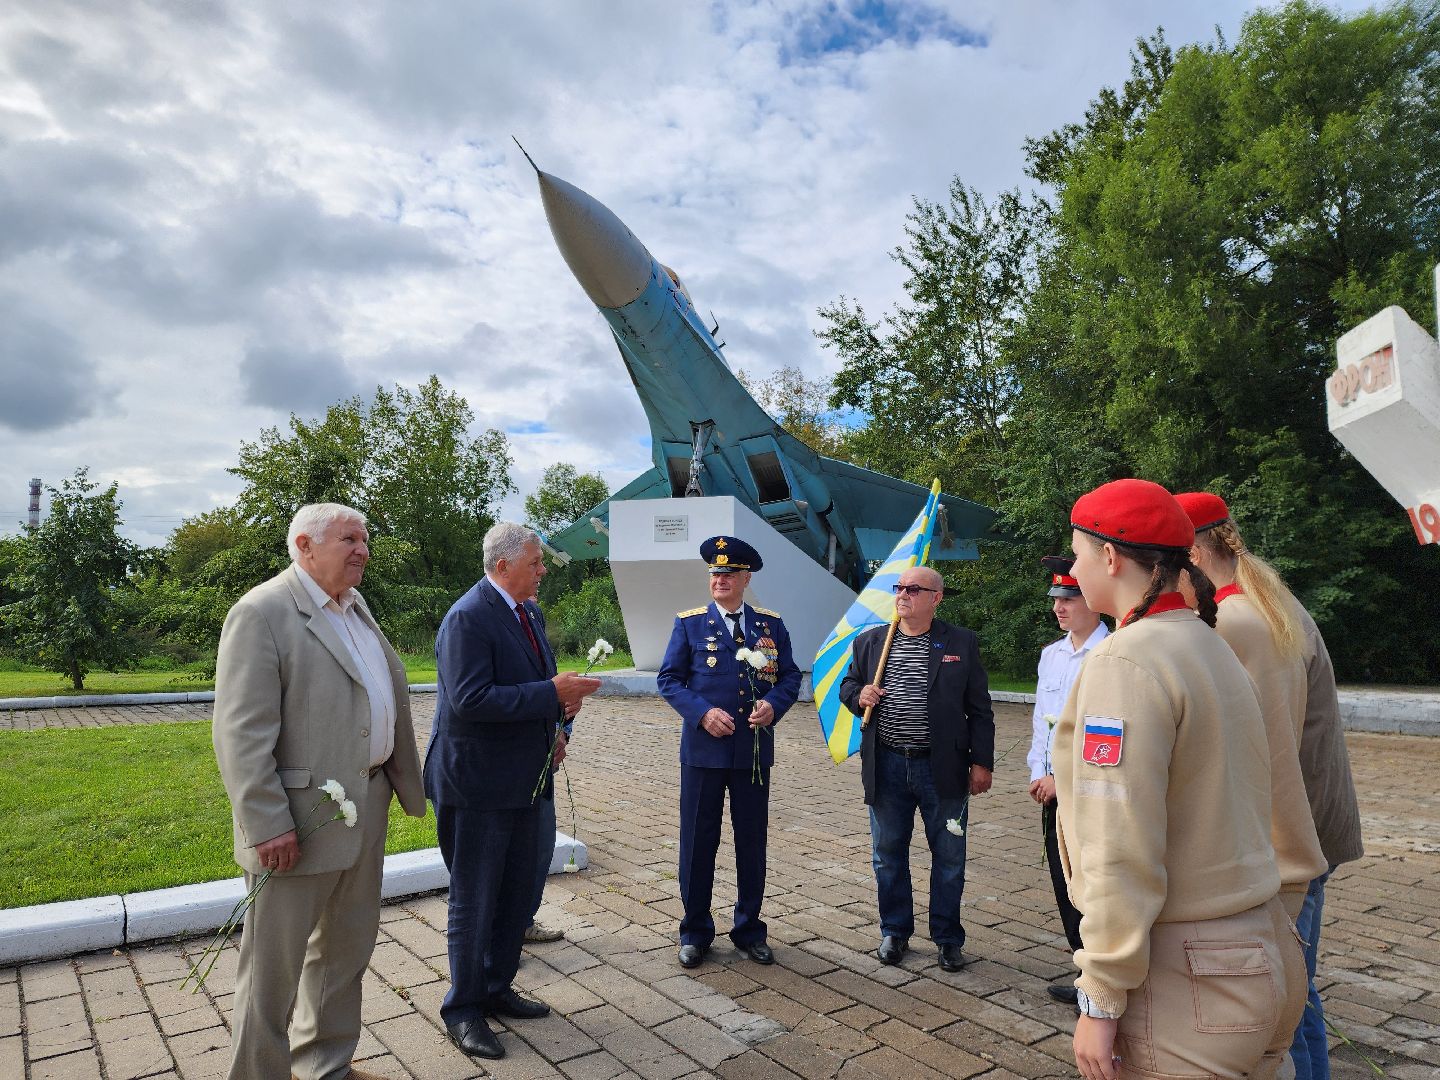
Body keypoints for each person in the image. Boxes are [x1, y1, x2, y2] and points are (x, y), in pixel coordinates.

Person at [1055, 478, 1305, 1080]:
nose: (1076, 571)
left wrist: (1101, 994)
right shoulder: (1207, 641)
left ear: (1110, 557)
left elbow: (1120, 841)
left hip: (1188, 972)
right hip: (1261, 943)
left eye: (1078, 554)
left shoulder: (1126, 661)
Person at [212, 503, 426, 1080]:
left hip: (366, 806)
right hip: (297, 822)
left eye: (365, 539)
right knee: (270, 972)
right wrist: (266, 823)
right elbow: (241, 733)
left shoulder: (355, 607)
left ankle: (324, 1066)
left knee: (344, 953)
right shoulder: (262, 613)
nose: (362, 550)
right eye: (348, 539)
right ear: (305, 546)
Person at [1177, 492, 1362, 1080]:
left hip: (1291, 836)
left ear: (1191, 555)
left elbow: (1268, 752)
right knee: (1295, 988)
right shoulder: (1265, 599)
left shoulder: (1238, 619)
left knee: (1286, 996)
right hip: (1310, 825)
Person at [423, 522, 601, 1061]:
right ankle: (464, 1009)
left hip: (528, 777)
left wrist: (558, 723)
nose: (543, 571)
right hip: (478, 783)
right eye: (535, 562)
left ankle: (497, 987)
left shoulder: (530, 613)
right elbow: (470, 700)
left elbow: (536, 687)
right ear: (503, 565)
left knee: (520, 891)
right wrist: (551, 692)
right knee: (475, 900)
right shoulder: (468, 617)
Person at [839, 564, 995, 973]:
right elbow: (848, 687)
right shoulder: (872, 642)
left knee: (948, 857)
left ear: (935, 598)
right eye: (899, 587)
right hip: (888, 761)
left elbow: (979, 709)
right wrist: (861, 694)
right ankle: (895, 930)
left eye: (913, 588)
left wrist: (982, 762)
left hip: (941, 768)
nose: (903, 594)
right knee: (887, 854)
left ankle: (947, 938)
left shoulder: (960, 642)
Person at [657, 535, 801, 969]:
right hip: (703, 753)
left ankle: (748, 929)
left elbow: (790, 677)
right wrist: (701, 714)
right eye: (714, 573)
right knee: (698, 843)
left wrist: (773, 705)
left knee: (751, 842)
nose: (719, 580)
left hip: (752, 753)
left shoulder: (769, 626)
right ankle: (695, 931)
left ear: (745, 578)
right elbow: (669, 680)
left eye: (728, 573)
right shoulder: (690, 624)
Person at [1026, 555, 1107, 1005]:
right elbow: (1044, 722)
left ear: (1092, 601)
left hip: (1085, 792)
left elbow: (1100, 733)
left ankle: (1101, 977)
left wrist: (1062, 778)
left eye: (1070, 598)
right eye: (1056, 598)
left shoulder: (1109, 653)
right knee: (1064, 883)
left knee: (1092, 884)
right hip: (1051, 790)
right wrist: (1039, 773)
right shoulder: (1051, 656)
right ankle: (1084, 974)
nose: (1060, 607)